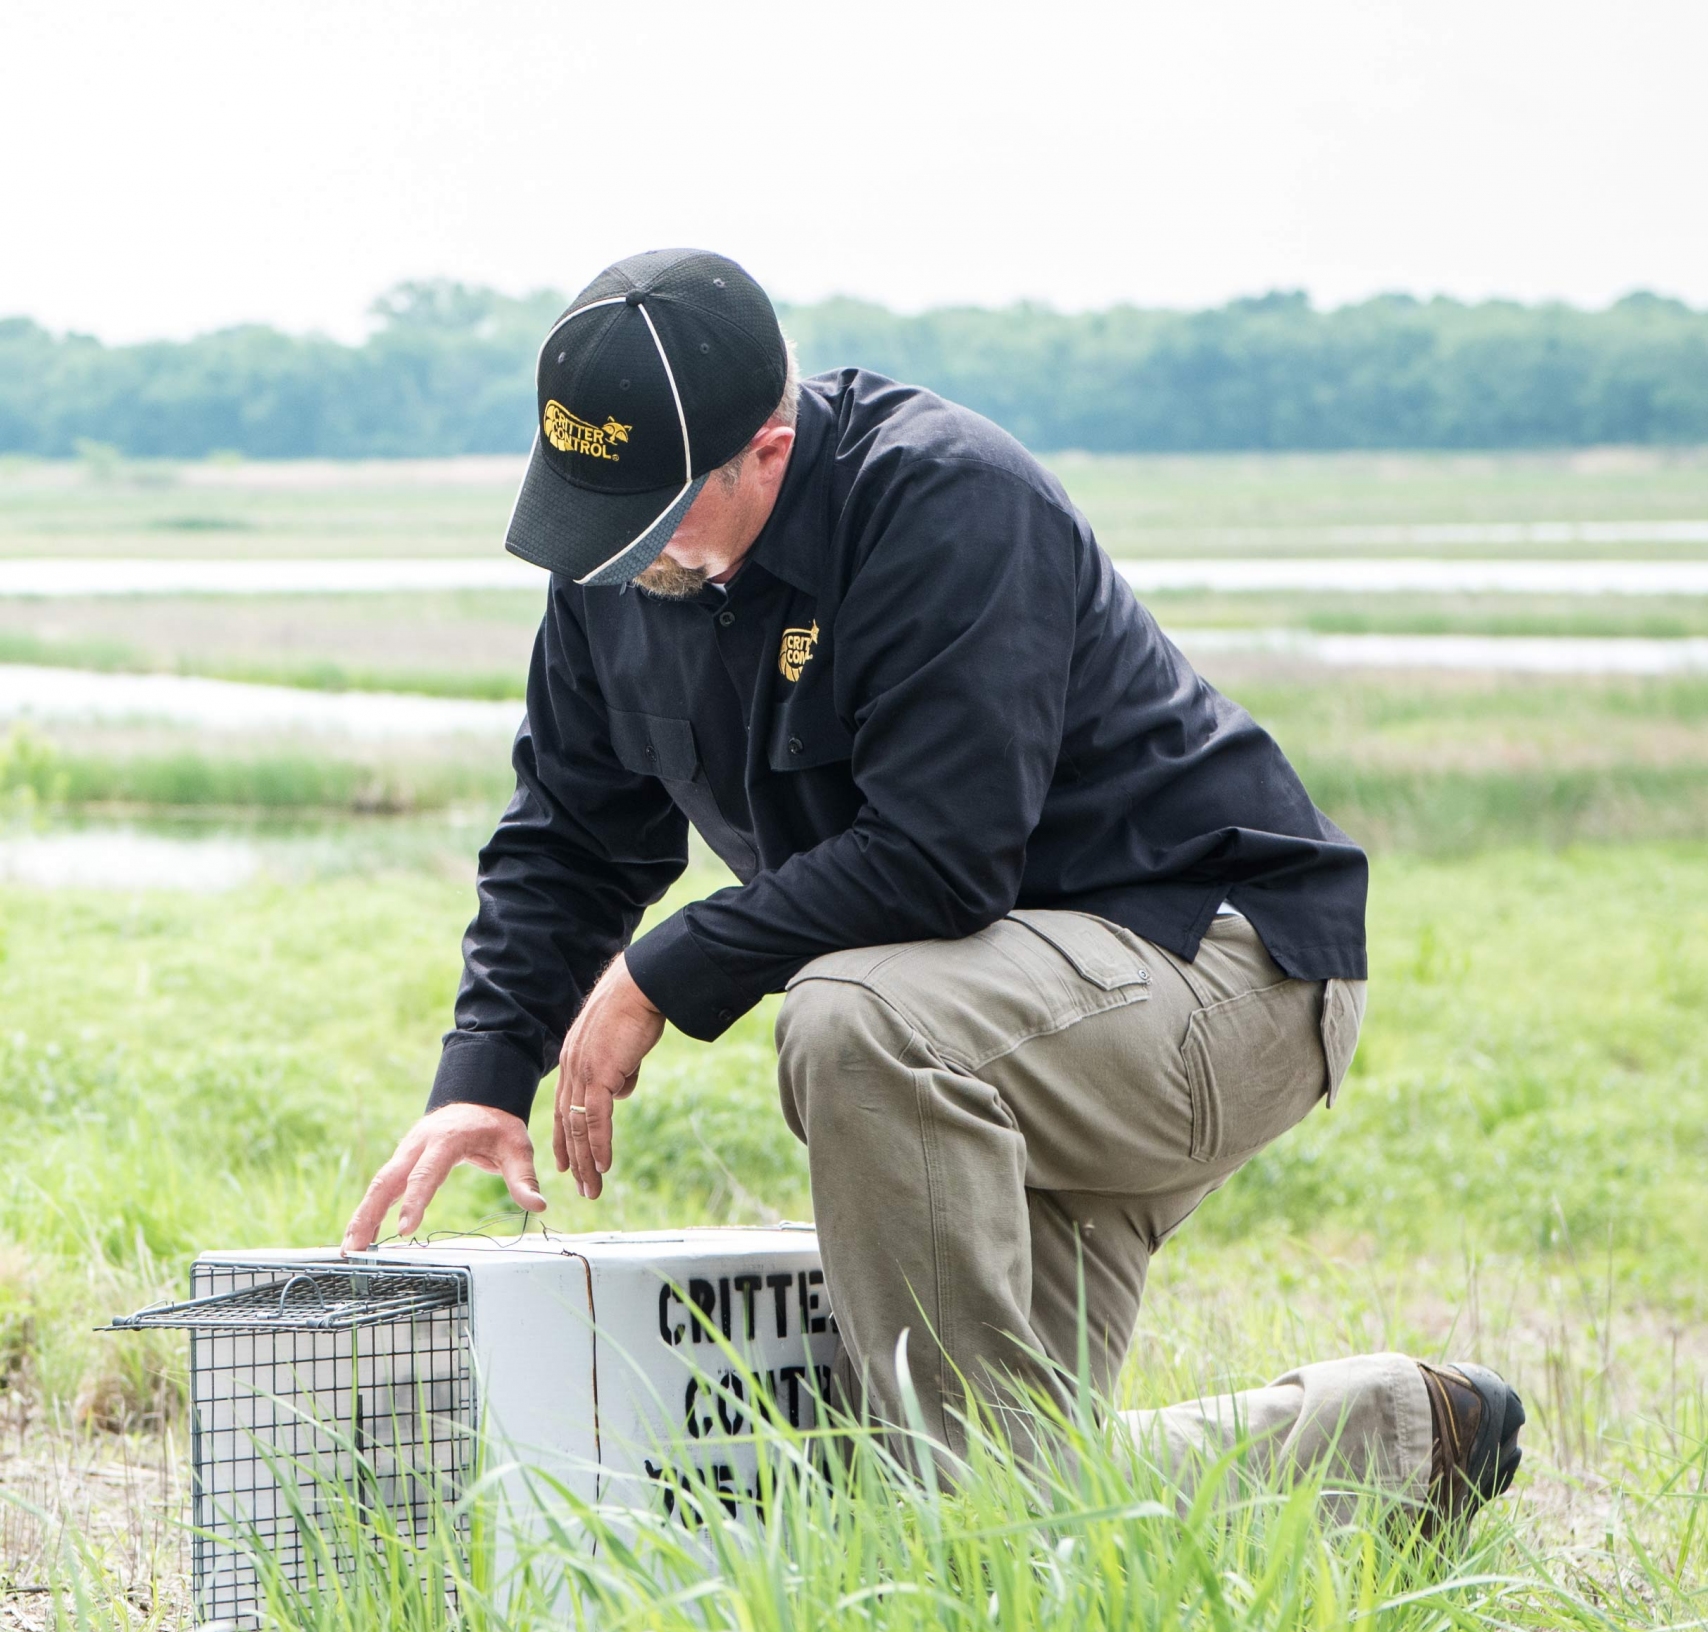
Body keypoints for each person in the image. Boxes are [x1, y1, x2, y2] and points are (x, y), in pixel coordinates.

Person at [342, 248, 1524, 1523]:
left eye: (648, 513)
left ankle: (973, 1519)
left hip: (1216, 971)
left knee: (856, 1015)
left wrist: (657, 974)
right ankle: (1408, 1437)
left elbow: (940, 857)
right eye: (590, 511)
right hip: (1002, 1009)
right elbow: (570, 834)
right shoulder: (624, 570)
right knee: (981, 1495)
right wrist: (482, 1076)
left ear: (769, 451)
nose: (618, 559)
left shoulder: (944, 499)